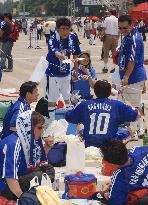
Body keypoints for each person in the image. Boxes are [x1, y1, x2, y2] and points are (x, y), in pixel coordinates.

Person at [65, 80, 140, 148]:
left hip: (90, 142)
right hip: (110, 144)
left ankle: (83, 140)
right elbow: (137, 115)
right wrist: (125, 100)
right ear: (109, 92)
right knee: (131, 130)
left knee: (80, 125)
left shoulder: (84, 104)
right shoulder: (117, 104)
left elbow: (68, 117)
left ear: (94, 91)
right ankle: (119, 147)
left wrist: (74, 106)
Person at [0, 110, 54, 201]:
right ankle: (30, 195)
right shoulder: (13, 144)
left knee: (48, 169)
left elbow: (36, 162)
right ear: (29, 127)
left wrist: (47, 147)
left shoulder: (29, 139)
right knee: (40, 176)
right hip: (5, 185)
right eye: (40, 128)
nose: (42, 131)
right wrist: (23, 198)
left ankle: (33, 193)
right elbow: (10, 178)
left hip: (21, 175)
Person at [45, 17, 81, 122]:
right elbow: (53, 50)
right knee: (51, 100)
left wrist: (76, 71)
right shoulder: (53, 38)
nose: (65, 31)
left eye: (67, 28)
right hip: (53, 73)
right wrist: (60, 55)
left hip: (66, 73)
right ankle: (50, 123)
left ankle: (70, 122)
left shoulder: (73, 37)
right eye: (62, 29)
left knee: (67, 98)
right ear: (57, 29)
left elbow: (76, 54)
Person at [118, 15, 147, 138]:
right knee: (134, 103)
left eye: (125, 28)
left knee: (132, 105)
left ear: (131, 25)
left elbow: (132, 60)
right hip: (131, 75)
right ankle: (139, 128)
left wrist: (126, 77)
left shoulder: (135, 38)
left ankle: (136, 130)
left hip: (133, 76)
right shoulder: (127, 36)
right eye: (120, 28)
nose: (123, 30)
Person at [99, 139, 148, 205]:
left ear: (112, 164)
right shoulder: (137, 149)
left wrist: (104, 193)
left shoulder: (119, 177)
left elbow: (115, 201)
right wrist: (112, 182)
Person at [101, 9, 119, 73]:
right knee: (114, 53)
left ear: (110, 13)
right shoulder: (117, 19)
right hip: (115, 37)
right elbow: (119, 30)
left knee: (106, 53)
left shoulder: (107, 19)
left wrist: (101, 35)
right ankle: (113, 67)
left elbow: (104, 28)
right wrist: (118, 37)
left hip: (108, 37)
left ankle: (105, 67)